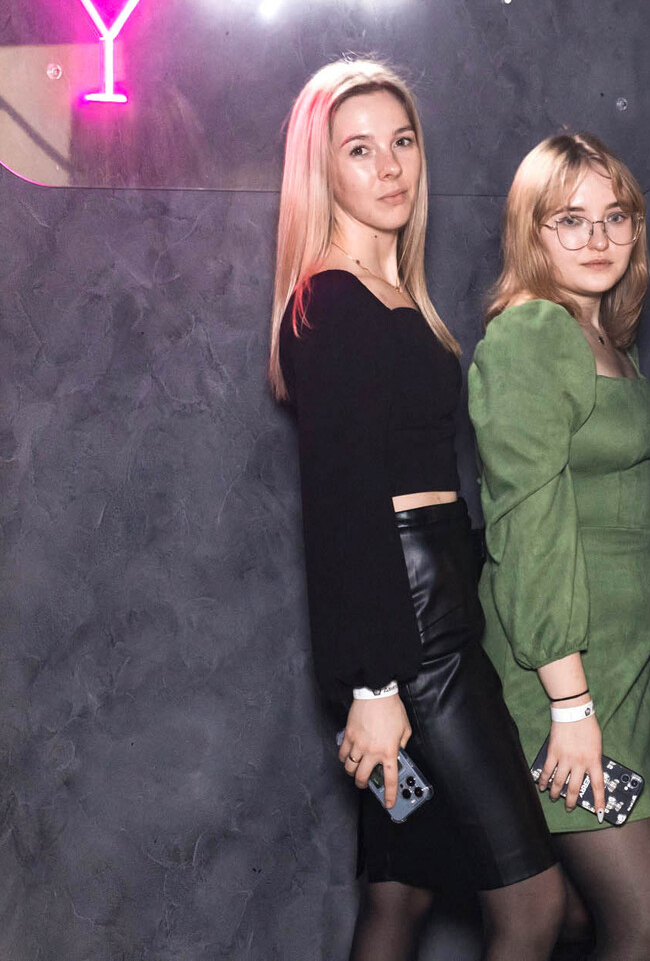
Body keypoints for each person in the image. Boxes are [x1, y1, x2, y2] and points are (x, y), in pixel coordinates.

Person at [267, 60, 564, 961]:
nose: (390, 166)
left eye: (402, 142)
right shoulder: (330, 301)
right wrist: (373, 688)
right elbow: (342, 508)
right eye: (360, 150)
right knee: (534, 906)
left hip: (437, 603)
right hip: (409, 634)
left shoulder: (394, 295)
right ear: (322, 170)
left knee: (403, 889)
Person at [470, 133, 650, 961]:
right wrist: (570, 706)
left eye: (615, 217)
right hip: (561, 678)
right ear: (531, 230)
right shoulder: (533, 334)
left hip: (622, 673)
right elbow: (526, 530)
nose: (598, 238)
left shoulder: (610, 343)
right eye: (570, 219)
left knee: (564, 921)